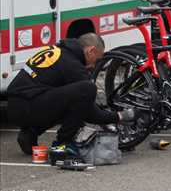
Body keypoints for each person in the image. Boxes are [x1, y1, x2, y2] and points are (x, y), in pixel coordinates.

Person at [7, 33, 135, 155]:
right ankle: (62, 144)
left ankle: (30, 133)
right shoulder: (72, 65)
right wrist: (119, 116)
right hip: (27, 106)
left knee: (65, 100)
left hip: (16, 105)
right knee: (87, 89)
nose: (94, 66)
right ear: (91, 51)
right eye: (97, 60)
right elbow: (90, 112)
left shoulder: (60, 51)